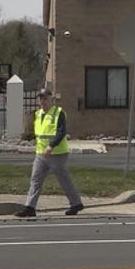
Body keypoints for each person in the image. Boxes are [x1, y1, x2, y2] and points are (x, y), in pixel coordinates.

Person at [15, 90, 84, 218]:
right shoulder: (37, 114)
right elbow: (40, 133)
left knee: (63, 179)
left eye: (45, 98)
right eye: (40, 99)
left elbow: (61, 132)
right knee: (35, 180)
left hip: (57, 153)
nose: (43, 101)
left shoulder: (59, 113)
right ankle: (30, 207)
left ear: (51, 99)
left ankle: (76, 204)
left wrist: (51, 146)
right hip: (41, 154)